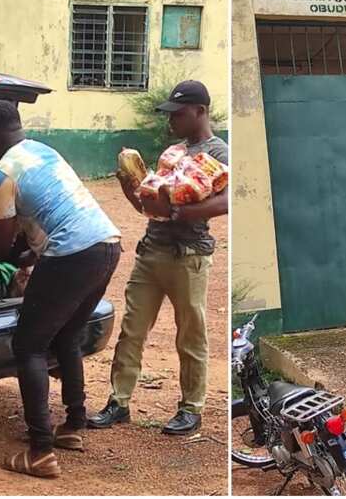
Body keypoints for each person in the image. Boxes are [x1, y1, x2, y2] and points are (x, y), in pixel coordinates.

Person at [0, 100, 122, 478]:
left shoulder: (1, 176)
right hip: (108, 244)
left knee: (29, 345)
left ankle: (40, 452)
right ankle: (74, 426)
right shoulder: (43, 150)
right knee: (67, 335)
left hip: (71, 253)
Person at [89, 80, 228, 435]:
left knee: (190, 335)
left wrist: (182, 213)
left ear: (200, 111)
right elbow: (150, 207)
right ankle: (118, 402)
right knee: (131, 331)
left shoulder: (219, 153)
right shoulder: (173, 153)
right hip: (151, 252)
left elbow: (229, 201)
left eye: (178, 114)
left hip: (189, 256)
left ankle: (191, 408)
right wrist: (130, 190)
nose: (172, 122)